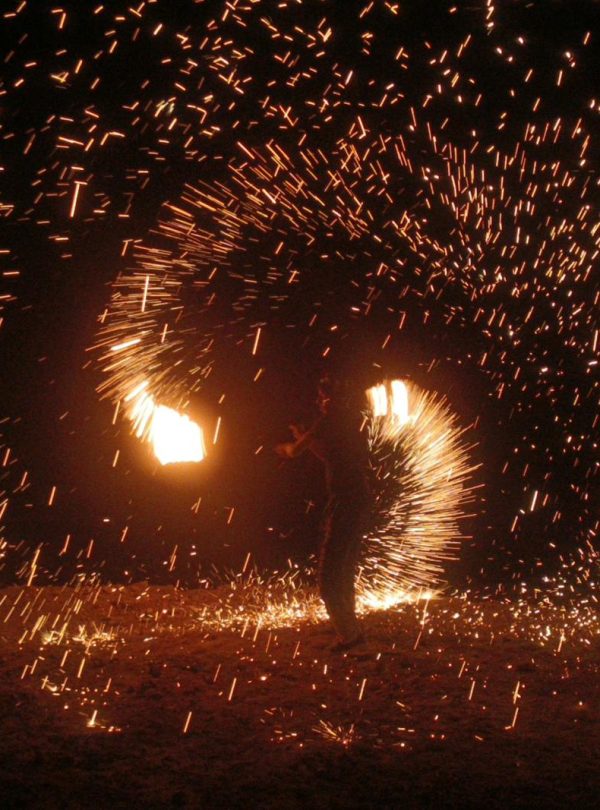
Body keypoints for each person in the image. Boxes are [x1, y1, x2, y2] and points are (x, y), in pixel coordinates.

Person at [276, 374, 371, 651]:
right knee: (344, 569)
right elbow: (331, 454)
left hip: (346, 502)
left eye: (321, 397)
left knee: (330, 576)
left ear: (330, 398)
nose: (319, 402)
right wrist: (304, 438)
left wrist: (288, 444)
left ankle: (350, 637)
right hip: (359, 499)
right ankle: (351, 630)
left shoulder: (328, 421)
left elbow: (295, 452)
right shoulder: (347, 421)